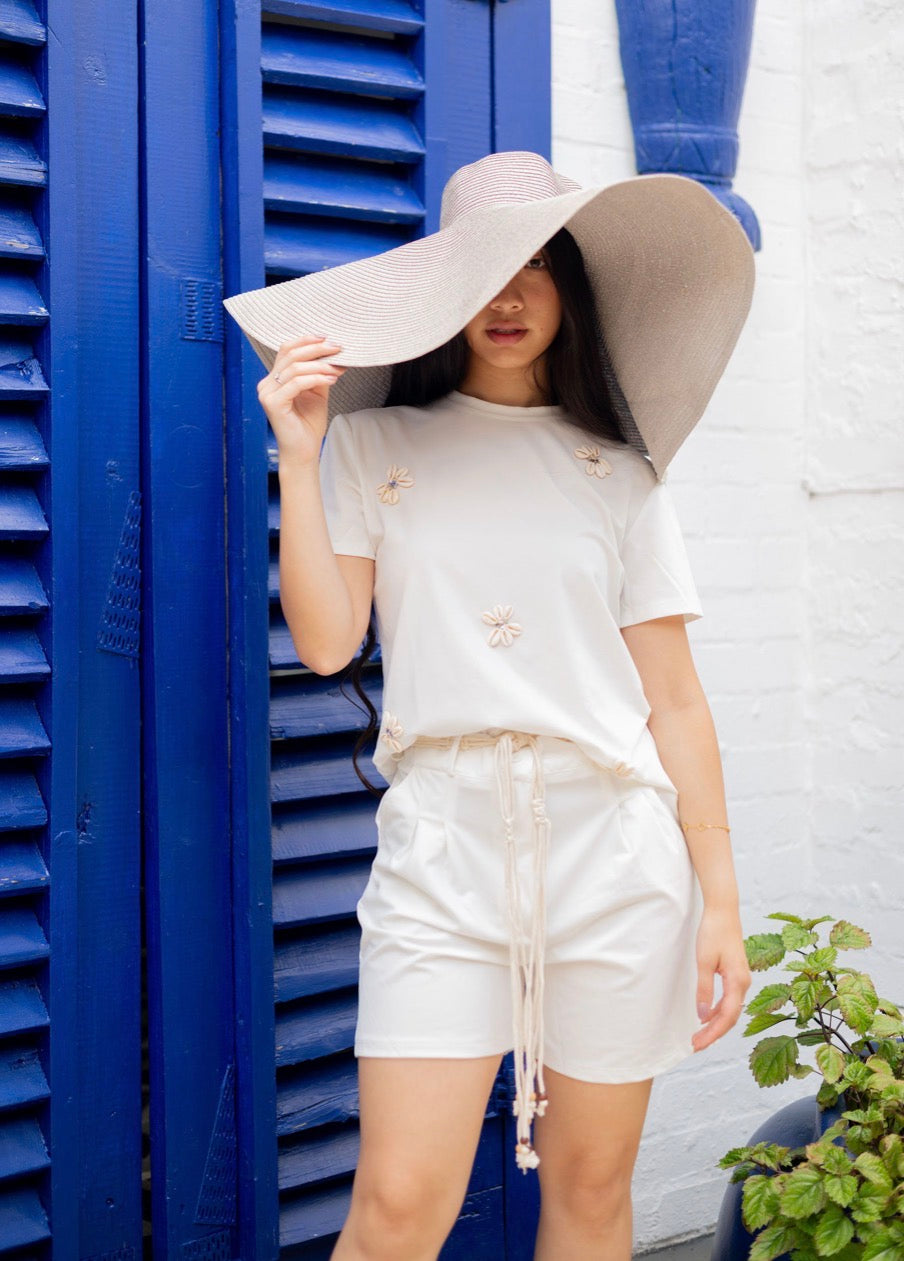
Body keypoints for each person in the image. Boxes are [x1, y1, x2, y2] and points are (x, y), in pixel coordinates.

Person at [226, 151, 756, 1261]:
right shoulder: (371, 446)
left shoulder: (620, 471)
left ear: (570, 289)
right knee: (397, 1207)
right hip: (444, 850)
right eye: (483, 274)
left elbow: (674, 700)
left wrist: (718, 900)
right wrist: (298, 451)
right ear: (445, 300)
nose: (508, 298)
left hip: (613, 852)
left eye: (534, 269)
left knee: (591, 1194)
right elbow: (326, 645)